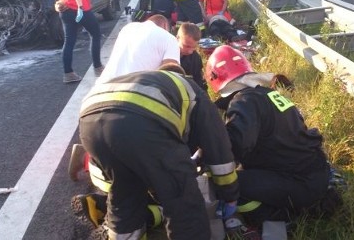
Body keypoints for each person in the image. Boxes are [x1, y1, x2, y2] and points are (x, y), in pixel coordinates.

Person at [78, 67, 240, 239]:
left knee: (125, 192)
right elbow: (219, 150)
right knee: (183, 200)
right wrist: (230, 195)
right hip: (138, 124)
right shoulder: (197, 94)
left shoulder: (156, 83)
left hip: (89, 121)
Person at [205, 45, 337, 228]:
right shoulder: (267, 95)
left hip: (299, 182)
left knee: (225, 183)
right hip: (314, 173)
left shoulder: (244, 101)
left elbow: (234, 148)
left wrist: (208, 157)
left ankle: (284, 217)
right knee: (243, 173)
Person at [96, 14, 179, 83]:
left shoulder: (128, 28)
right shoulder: (169, 38)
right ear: (165, 27)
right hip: (130, 93)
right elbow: (171, 76)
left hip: (98, 91)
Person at [177, 22, 207, 90]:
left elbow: (199, 83)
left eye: (194, 47)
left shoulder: (196, 58)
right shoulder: (167, 55)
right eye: (187, 46)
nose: (190, 51)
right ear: (177, 38)